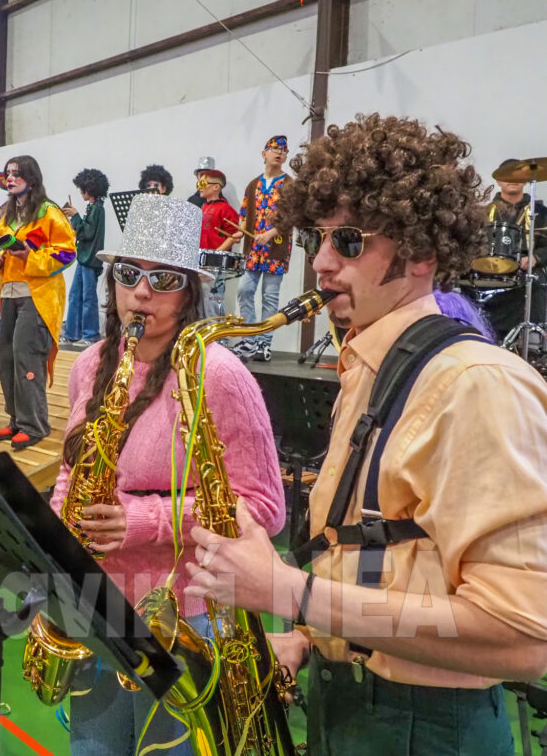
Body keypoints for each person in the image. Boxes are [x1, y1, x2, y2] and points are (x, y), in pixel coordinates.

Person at [185, 114, 547, 756]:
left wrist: (288, 593)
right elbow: (393, 559)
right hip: (355, 700)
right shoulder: (372, 366)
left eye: (349, 242)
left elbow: (523, 639)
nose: (322, 263)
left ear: (421, 253)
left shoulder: (475, 384)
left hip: (428, 726)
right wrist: (310, 639)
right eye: (317, 238)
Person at [51, 193, 285, 755]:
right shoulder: (91, 363)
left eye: (163, 279)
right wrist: (57, 537)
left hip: (183, 615)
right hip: (96, 605)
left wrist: (143, 520)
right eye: (128, 274)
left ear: (189, 293)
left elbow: (264, 507)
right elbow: (72, 467)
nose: (141, 292)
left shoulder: (219, 374)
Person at [0, 155, 76, 450]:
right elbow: (5, 246)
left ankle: (34, 424)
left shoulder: (49, 211)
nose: (10, 178)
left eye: (16, 173)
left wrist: (31, 256)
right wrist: (0, 257)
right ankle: (16, 419)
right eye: (8, 174)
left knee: (26, 357)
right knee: (7, 358)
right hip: (10, 293)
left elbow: (67, 253)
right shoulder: (7, 214)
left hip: (38, 295)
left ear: (32, 178)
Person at [460, 159, 547, 341]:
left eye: (517, 176)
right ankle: (475, 334)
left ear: (525, 180)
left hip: (525, 272)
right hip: (488, 272)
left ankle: (531, 341)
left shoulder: (541, 213)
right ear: (498, 180)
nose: (512, 180)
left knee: (536, 282)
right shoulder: (483, 212)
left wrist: (536, 258)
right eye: (507, 175)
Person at [233, 134, 290, 362]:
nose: (280, 153)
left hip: (276, 249)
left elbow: (292, 217)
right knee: (244, 290)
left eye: (284, 150)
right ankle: (249, 339)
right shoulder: (253, 184)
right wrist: (240, 231)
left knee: (269, 296)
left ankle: (264, 344)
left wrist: (270, 233)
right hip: (253, 250)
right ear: (264, 154)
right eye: (275, 149)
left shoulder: (289, 185)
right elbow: (244, 214)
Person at [62, 168, 109, 347]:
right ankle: (72, 333)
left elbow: (87, 233)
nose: (81, 192)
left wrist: (75, 216)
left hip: (89, 260)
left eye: (83, 189)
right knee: (75, 295)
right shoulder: (93, 207)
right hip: (84, 259)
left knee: (88, 298)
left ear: (90, 189)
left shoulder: (98, 209)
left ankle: (90, 335)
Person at [197, 168, 240, 318]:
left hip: (215, 263)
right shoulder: (204, 208)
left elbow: (234, 235)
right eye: (199, 183)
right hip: (201, 261)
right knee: (201, 300)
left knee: (214, 300)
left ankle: (217, 331)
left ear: (216, 187)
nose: (200, 187)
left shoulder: (225, 209)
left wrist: (216, 253)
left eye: (203, 183)